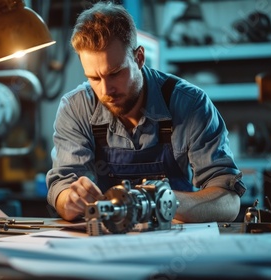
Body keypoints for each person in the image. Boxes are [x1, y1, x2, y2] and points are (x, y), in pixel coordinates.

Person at [46, 1, 246, 223]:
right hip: (106, 242)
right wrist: (68, 199)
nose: (105, 90)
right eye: (94, 78)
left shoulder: (190, 105)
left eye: (115, 73)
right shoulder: (76, 108)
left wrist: (160, 202)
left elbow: (228, 201)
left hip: (175, 243)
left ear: (139, 58)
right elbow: (62, 186)